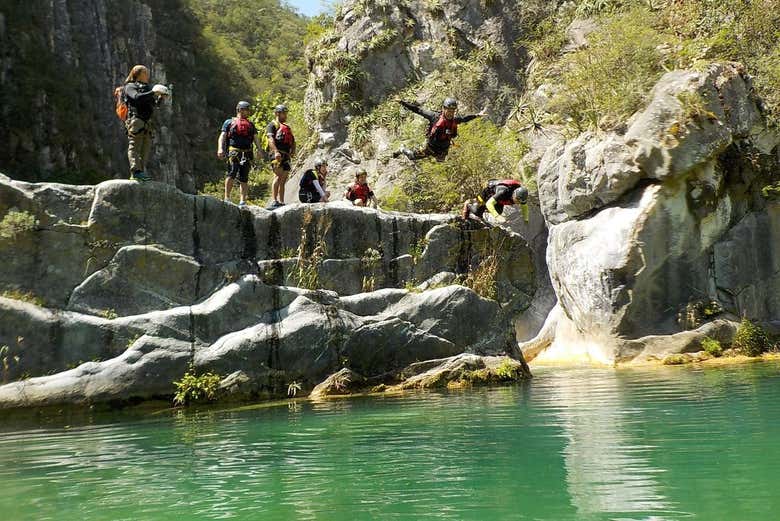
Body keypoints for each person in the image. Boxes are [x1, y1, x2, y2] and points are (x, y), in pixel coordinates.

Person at [393, 97, 485, 162]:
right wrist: (402, 102)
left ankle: (439, 157)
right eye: (448, 110)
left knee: (440, 161)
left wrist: (477, 115)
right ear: (443, 109)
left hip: (443, 149)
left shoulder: (454, 120)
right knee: (412, 156)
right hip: (429, 148)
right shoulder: (434, 117)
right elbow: (418, 110)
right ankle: (402, 149)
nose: (450, 113)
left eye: (452, 111)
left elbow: (465, 118)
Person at [122, 65, 170, 181]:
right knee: (134, 146)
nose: (147, 76)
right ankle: (135, 171)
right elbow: (136, 98)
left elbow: (154, 105)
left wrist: (161, 98)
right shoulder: (130, 86)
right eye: (145, 73)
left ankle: (141, 172)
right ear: (138, 74)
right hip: (136, 120)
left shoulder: (147, 88)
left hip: (147, 123)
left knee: (145, 149)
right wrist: (152, 92)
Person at [217, 101, 262, 207]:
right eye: (246, 110)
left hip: (247, 153)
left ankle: (243, 201)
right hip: (234, 151)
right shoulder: (229, 122)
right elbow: (222, 136)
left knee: (244, 176)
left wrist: (259, 150)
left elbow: (256, 138)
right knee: (232, 172)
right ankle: (227, 197)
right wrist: (220, 148)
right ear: (240, 110)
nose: (248, 112)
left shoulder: (250, 124)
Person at [266, 104, 296, 208]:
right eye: (284, 113)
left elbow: (293, 141)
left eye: (286, 113)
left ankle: (282, 202)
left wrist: (293, 150)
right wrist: (276, 152)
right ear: (277, 113)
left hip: (286, 155)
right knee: (277, 176)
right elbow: (270, 139)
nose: (285, 115)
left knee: (283, 179)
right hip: (277, 154)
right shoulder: (272, 125)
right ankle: (274, 200)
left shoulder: (287, 127)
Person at [462, 179, 529, 224]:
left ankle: (481, 214)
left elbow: (524, 207)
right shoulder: (503, 191)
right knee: (477, 211)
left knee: (498, 211)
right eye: (517, 200)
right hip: (488, 193)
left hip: (498, 199)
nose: (517, 203)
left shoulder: (521, 196)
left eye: (519, 202)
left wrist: (526, 219)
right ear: (514, 194)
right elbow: (489, 203)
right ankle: (468, 204)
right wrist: (498, 217)